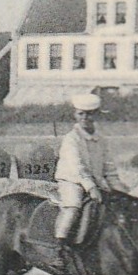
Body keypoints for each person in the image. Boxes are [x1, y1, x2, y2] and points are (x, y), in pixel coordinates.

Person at [54, 92, 124, 245]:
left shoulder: (101, 139)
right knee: (73, 207)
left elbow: (109, 167)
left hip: (95, 182)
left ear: (97, 115)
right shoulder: (71, 139)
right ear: (75, 115)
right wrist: (91, 187)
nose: (85, 118)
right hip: (72, 181)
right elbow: (76, 166)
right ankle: (59, 248)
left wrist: (119, 189)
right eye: (81, 114)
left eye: (90, 114)